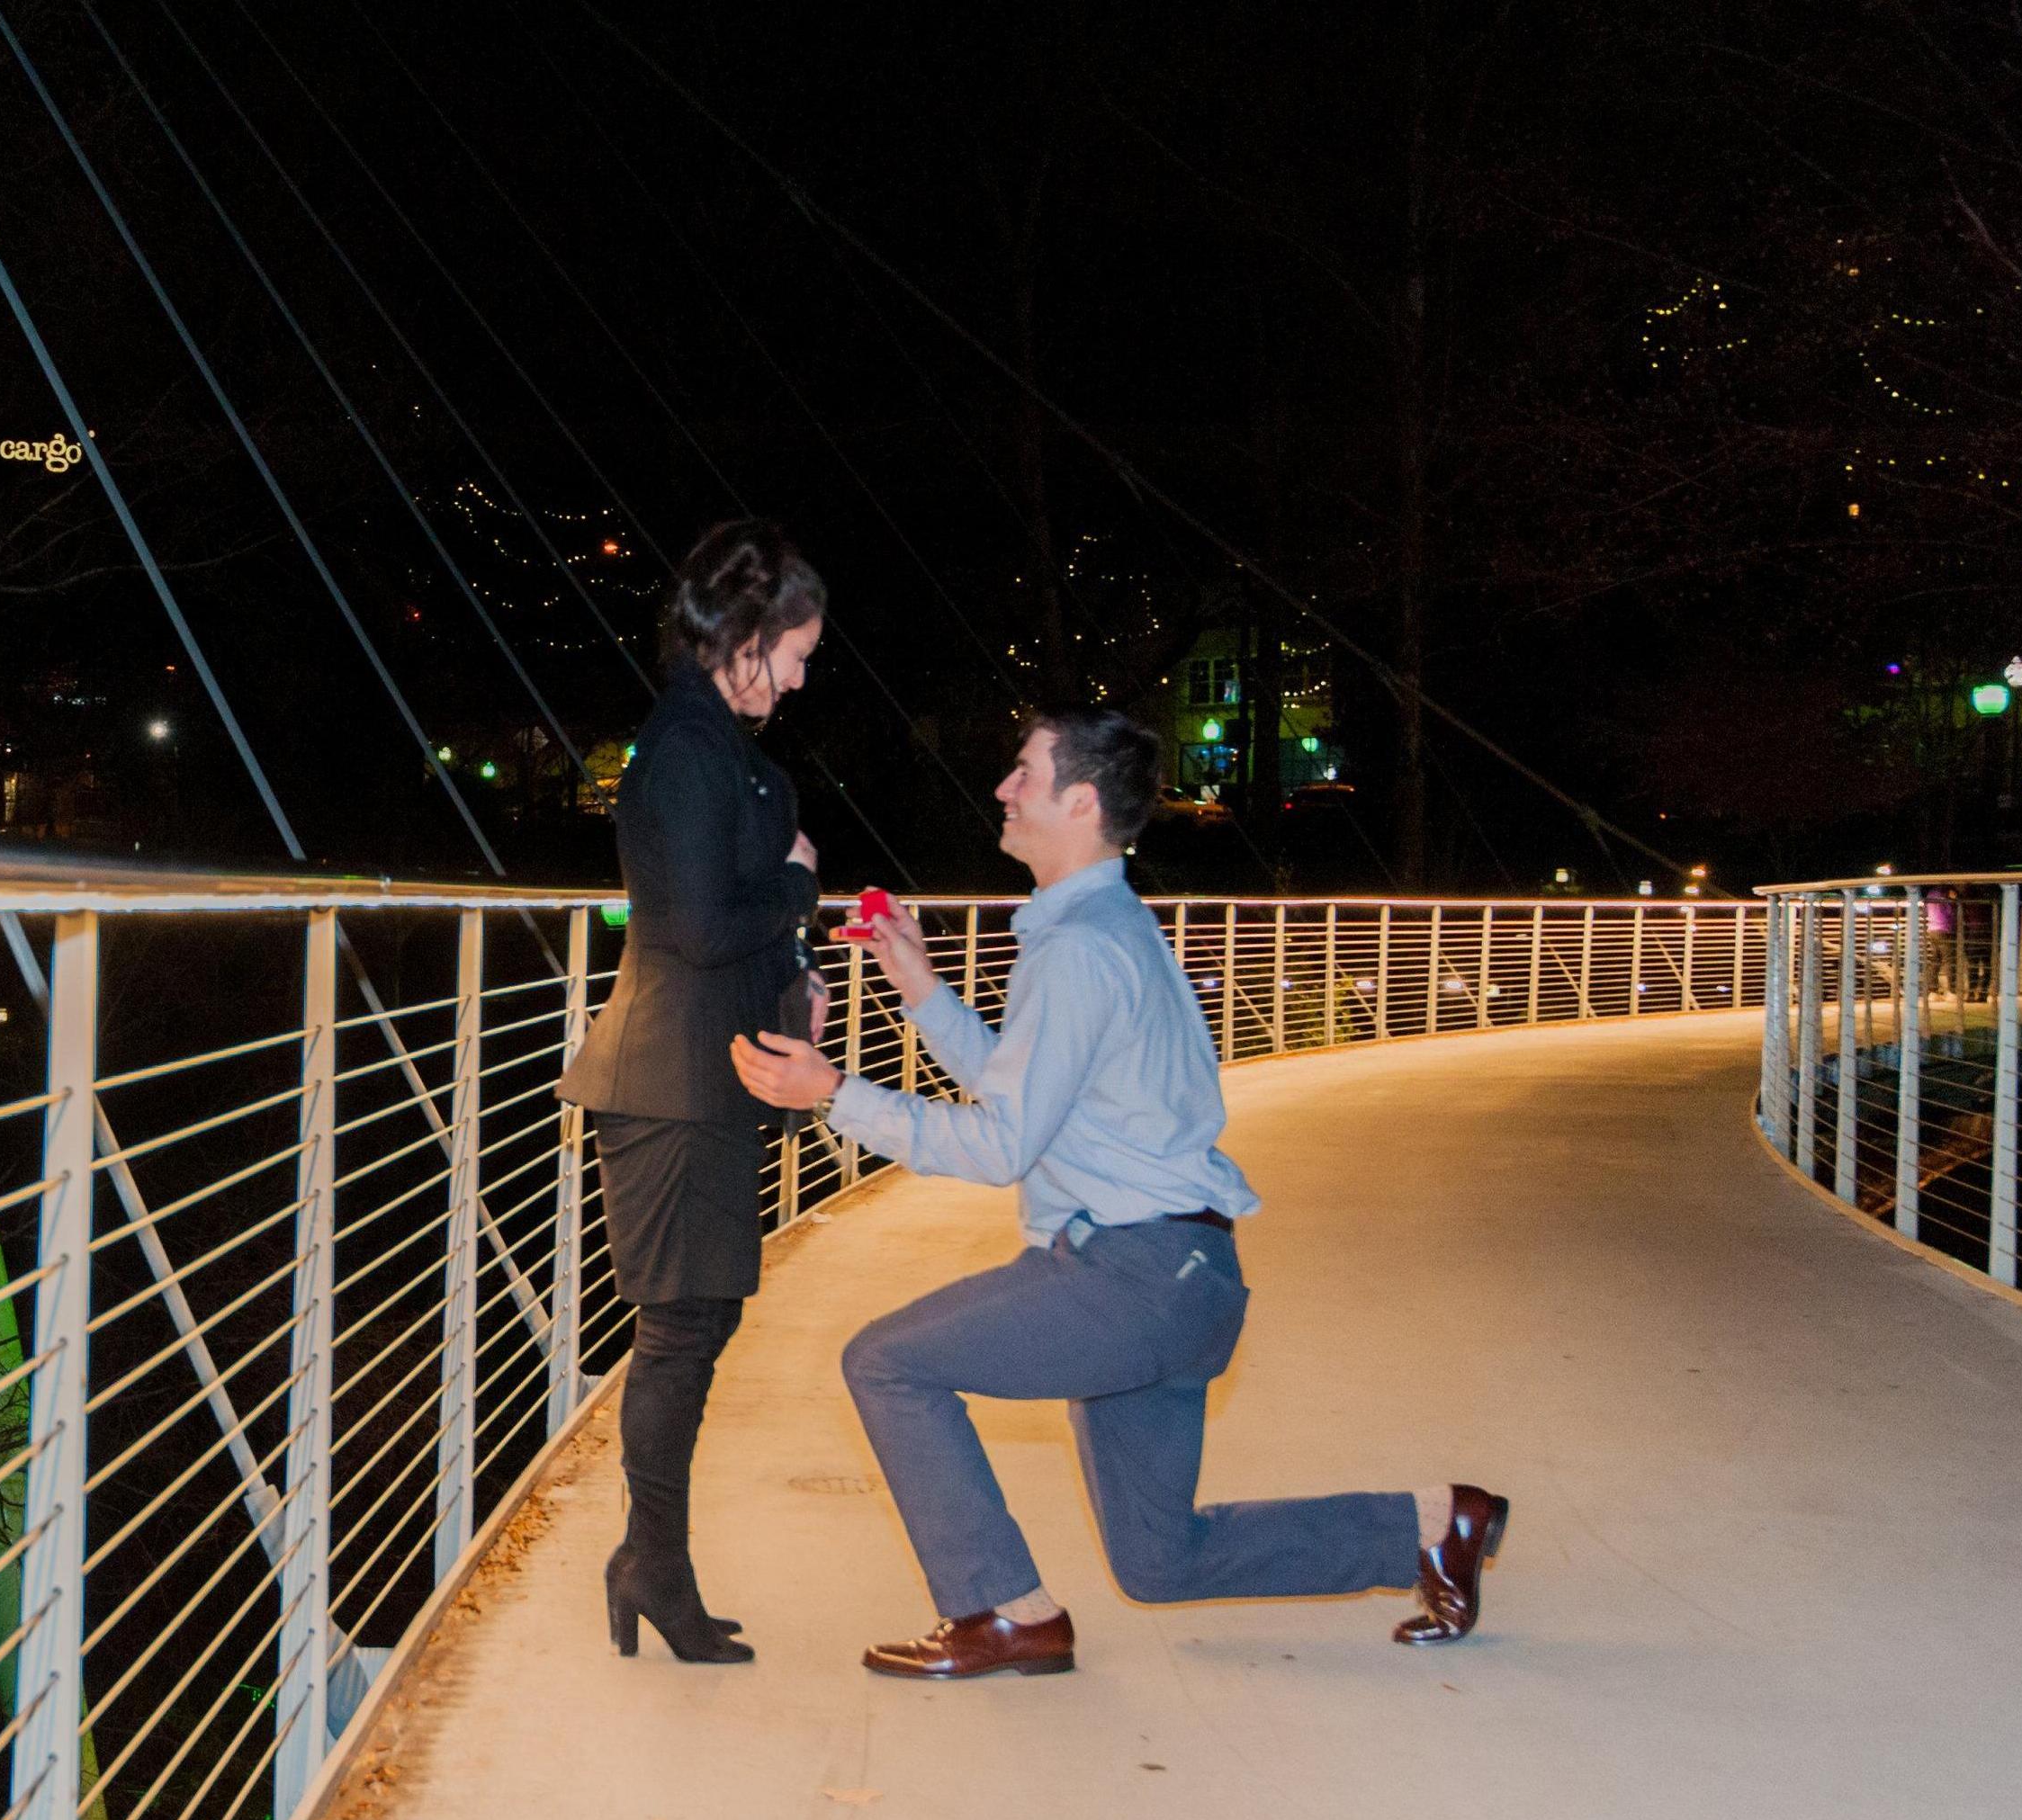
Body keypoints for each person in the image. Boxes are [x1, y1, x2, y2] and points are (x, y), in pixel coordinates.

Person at [732, 706, 1508, 1681]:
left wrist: (834, 1093)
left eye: (1023, 771)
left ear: (1081, 799)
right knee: (1158, 1559)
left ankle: (1003, 1611)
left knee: (886, 1363)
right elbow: (1037, 1100)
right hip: (1183, 1274)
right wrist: (923, 989)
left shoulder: (1080, 949)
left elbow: (1000, 1144)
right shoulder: (1106, 927)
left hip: (1130, 1274)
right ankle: (1434, 1527)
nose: (1005, 788)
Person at [561, 520, 826, 1663]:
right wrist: (797, 891)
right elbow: (686, 923)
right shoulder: (684, 747)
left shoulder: (713, 740)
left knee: (699, 1322)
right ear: (749, 638)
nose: (806, 675)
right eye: (800, 651)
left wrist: (796, 965)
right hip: (668, 1081)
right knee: (678, 1329)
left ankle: (653, 1560)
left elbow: (727, 910)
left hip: (707, 1076)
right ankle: (649, 1565)